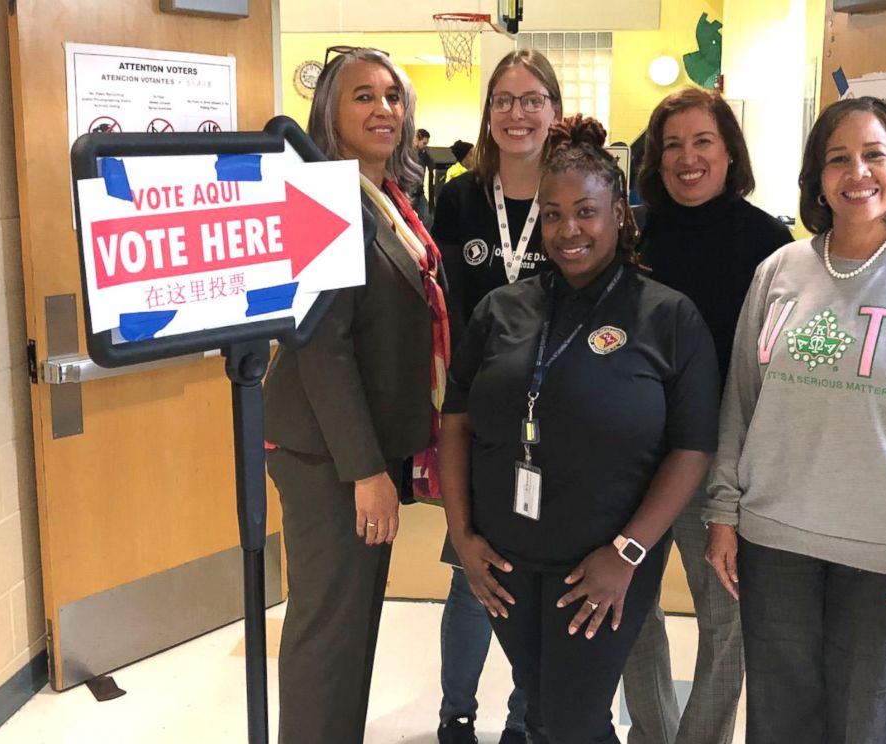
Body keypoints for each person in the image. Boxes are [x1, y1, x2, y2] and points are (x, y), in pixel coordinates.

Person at [704, 96, 886, 744]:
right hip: (775, 544)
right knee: (778, 728)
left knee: (864, 731)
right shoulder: (780, 271)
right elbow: (740, 406)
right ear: (817, 179)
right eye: (838, 159)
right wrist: (723, 512)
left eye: (873, 155)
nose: (856, 172)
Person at [438, 115, 721, 744]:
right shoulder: (501, 309)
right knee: (545, 709)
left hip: (602, 563)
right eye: (554, 214)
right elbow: (455, 421)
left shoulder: (667, 316)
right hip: (505, 558)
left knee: (567, 719)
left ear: (618, 213)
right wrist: (462, 535)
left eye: (586, 212)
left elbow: (694, 447)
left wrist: (626, 555)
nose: (569, 230)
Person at [263, 47, 449, 743]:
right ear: (329, 114)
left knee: (354, 623)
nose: (385, 110)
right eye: (363, 97)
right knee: (328, 632)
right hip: (329, 455)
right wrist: (365, 470)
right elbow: (321, 345)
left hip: (368, 445)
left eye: (393, 96)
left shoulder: (386, 193)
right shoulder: (321, 195)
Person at [623, 87, 792, 744]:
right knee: (629, 610)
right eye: (672, 145)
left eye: (703, 143)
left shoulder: (768, 243)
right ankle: (654, 733)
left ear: (729, 154)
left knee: (727, 621)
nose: (687, 158)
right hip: (635, 457)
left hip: (720, 462)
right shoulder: (633, 231)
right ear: (654, 157)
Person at [431, 49, 561, 744]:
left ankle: (522, 718)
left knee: (537, 580)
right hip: (481, 410)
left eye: (532, 98)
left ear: (555, 110)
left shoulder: (573, 187)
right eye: (505, 100)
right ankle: (457, 713)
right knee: (471, 573)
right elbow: (445, 302)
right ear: (488, 113)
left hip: (561, 411)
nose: (518, 113)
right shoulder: (459, 194)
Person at [413, 127, 435, 227]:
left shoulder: (424, 154)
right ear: (417, 139)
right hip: (409, 193)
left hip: (420, 192)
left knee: (428, 219)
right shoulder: (407, 154)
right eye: (424, 143)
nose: (425, 146)